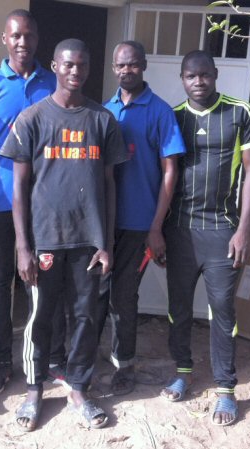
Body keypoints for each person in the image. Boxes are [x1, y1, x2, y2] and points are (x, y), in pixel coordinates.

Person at [0, 38, 128, 431]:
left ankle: (78, 388)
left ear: (90, 69)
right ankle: (34, 390)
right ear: (54, 66)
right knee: (40, 319)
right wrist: (23, 247)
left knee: (87, 318)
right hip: (45, 241)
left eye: (83, 65)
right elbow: (18, 189)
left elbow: (109, 186)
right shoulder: (32, 119)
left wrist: (105, 243)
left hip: (87, 243)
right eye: (69, 65)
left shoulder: (102, 120)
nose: (76, 72)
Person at [0, 9, 67, 396]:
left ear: (38, 39)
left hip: (45, 206)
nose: (23, 42)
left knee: (46, 283)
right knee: (0, 284)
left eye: (29, 35)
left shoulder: (52, 84)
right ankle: (3, 363)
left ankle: (48, 359)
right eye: (16, 36)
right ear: (4, 40)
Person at [160, 50, 250, 427]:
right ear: (182, 79)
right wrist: (157, 230)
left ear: (215, 75)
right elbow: (165, 176)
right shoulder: (172, 118)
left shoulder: (241, 113)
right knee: (179, 308)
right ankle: (183, 371)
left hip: (222, 230)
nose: (198, 81)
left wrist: (243, 230)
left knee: (223, 311)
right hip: (181, 231)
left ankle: (225, 389)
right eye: (190, 76)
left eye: (204, 75)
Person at [98, 41, 186, 396]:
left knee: (124, 295)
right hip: (104, 224)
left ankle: (124, 364)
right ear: (114, 68)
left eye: (133, 65)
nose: (126, 71)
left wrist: (155, 227)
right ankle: (86, 360)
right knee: (94, 295)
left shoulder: (160, 112)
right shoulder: (105, 112)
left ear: (144, 66)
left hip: (139, 224)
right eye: (121, 65)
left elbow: (170, 171)